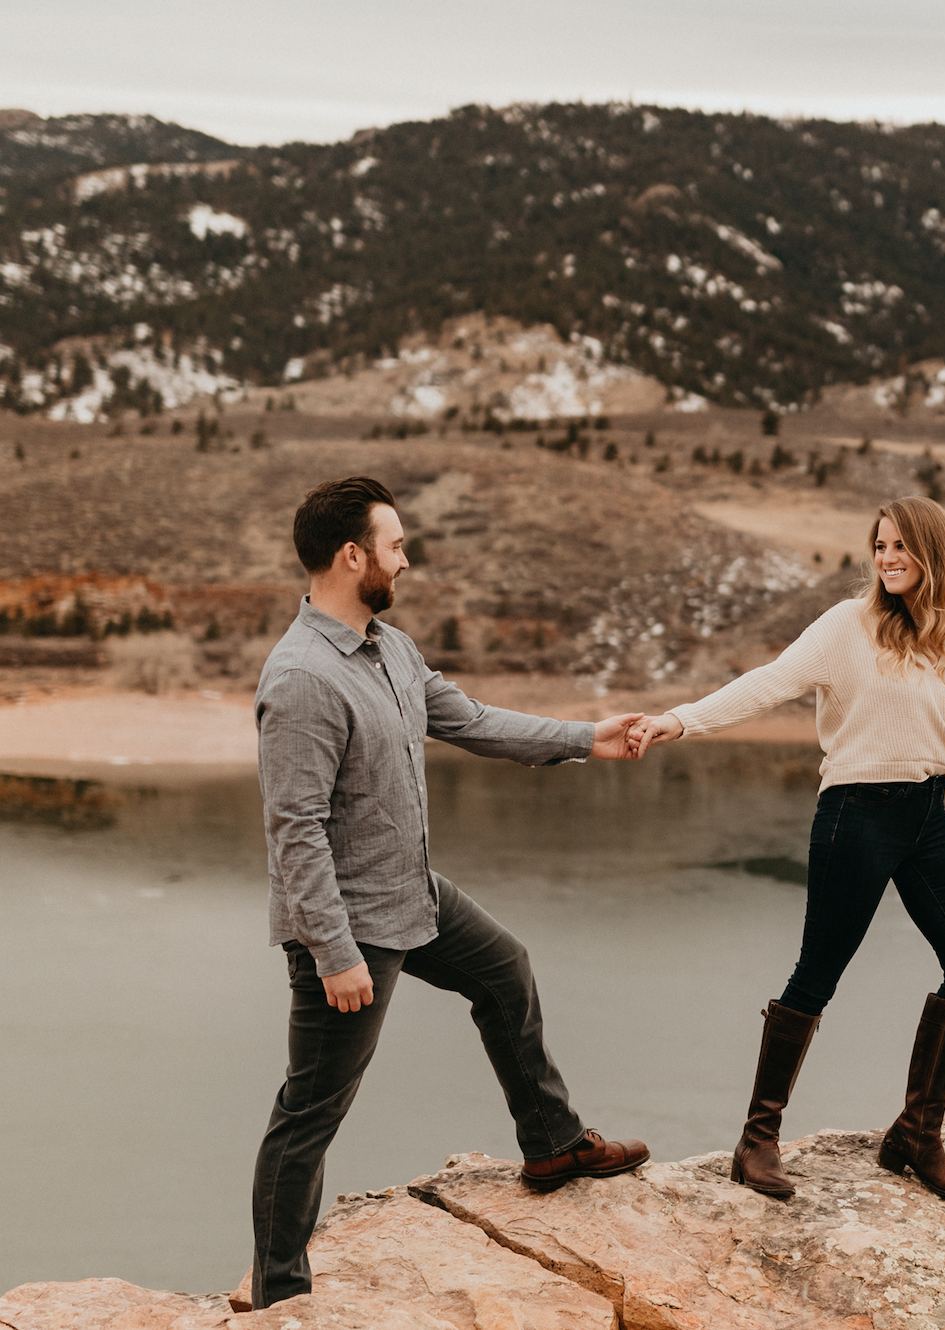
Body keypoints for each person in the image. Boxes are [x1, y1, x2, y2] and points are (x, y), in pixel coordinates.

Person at [250, 476, 649, 1310]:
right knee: (311, 1113)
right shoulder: (300, 678)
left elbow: (471, 718)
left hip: (412, 895)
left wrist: (588, 738)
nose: (408, 557)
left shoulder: (388, 648)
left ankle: (551, 1144)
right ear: (352, 555)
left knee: (504, 970)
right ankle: (282, 1295)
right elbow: (295, 832)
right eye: (396, 544)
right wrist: (334, 953)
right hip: (352, 926)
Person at [630, 495, 945, 1203]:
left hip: (927, 817)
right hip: (854, 814)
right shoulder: (847, 626)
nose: (887, 558)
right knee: (817, 975)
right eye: (880, 546)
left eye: (900, 546)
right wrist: (679, 721)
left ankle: (917, 1133)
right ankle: (757, 1140)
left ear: (934, 551)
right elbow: (769, 683)